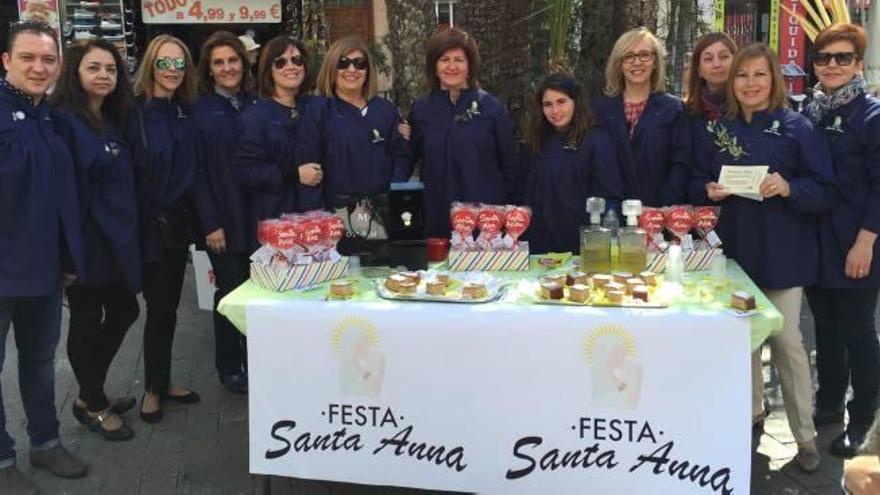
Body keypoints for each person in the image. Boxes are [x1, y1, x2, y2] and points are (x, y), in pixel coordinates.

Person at [691, 42, 835, 473]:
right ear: (730, 82)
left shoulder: (797, 127)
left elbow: (823, 190)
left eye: (758, 74)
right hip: (735, 257)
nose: (750, 83)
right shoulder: (721, 130)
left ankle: (804, 435)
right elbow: (699, 177)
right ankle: (750, 416)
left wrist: (789, 187)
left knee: (787, 342)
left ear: (773, 78)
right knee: (742, 342)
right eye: (741, 75)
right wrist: (708, 190)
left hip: (784, 256)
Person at [0, 21, 88, 492]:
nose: (38, 67)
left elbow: (62, 196)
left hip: (45, 270)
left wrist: (69, 258)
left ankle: (46, 443)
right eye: (28, 58)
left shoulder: (49, 116)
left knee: (38, 360)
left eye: (48, 60)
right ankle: (1, 460)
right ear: (6, 61)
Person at [51, 38, 140, 440]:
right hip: (85, 244)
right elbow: (64, 193)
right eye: (94, 68)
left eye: (110, 69)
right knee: (87, 321)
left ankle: (91, 393)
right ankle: (93, 401)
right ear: (76, 72)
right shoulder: (65, 121)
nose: (104, 75)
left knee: (124, 311)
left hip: (115, 242)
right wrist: (67, 256)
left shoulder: (111, 119)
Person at [802, 24, 880, 458]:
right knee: (826, 331)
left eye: (843, 57)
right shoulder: (810, 112)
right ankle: (828, 404)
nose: (832, 65)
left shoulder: (871, 115)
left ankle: (864, 419)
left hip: (857, 244)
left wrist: (866, 240)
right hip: (817, 243)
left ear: (857, 62)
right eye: (824, 57)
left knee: (858, 333)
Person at [128, 34, 201, 423]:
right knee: (143, 308)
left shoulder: (185, 113)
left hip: (175, 228)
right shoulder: (132, 112)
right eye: (164, 62)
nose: (171, 71)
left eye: (179, 64)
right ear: (150, 65)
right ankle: (142, 390)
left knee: (167, 308)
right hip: (142, 226)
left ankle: (161, 379)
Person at [193, 31, 257, 395]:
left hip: (259, 216)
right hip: (224, 220)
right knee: (230, 295)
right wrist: (210, 223)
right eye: (219, 62)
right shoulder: (200, 111)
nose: (227, 67)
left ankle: (257, 359)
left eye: (233, 60)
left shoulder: (256, 103)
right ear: (210, 70)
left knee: (260, 294)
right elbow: (198, 173)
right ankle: (230, 365)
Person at [295, 37, 411, 235]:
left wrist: (392, 200)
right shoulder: (318, 112)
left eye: (359, 64)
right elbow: (309, 169)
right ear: (332, 69)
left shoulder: (387, 111)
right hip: (336, 218)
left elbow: (401, 159)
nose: (352, 70)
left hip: (381, 216)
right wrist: (316, 221)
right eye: (343, 63)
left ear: (368, 71)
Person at [408, 28, 518, 237]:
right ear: (434, 66)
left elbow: (509, 166)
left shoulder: (491, 108)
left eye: (459, 59)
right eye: (444, 59)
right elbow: (406, 157)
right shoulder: (421, 110)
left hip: (485, 224)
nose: (452, 66)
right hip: (438, 218)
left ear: (470, 66)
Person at [522, 73, 622, 254]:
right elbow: (524, 193)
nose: (555, 111)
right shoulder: (536, 139)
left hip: (580, 244)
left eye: (561, 102)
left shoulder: (596, 140)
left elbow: (608, 195)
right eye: (548, 104)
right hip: (539, 244)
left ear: (576, 102)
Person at [236, 35, 320, 250]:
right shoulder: (255, 116)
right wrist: (293, 174)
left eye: (297, 60)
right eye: (280, 62)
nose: (290, 67)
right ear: (268, 70)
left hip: (318, 222)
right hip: (277, 225)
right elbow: (246, 172)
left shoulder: (318, 107)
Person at [593, 27, 691, 206]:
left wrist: (663, 209)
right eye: (628, 56)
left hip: (658, 216)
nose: (637, 62)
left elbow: (681, 165)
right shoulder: (600, 110)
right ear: (619, 64)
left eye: (644, 55)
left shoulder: (673, 110)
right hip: (610, 217)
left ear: (655, 61)